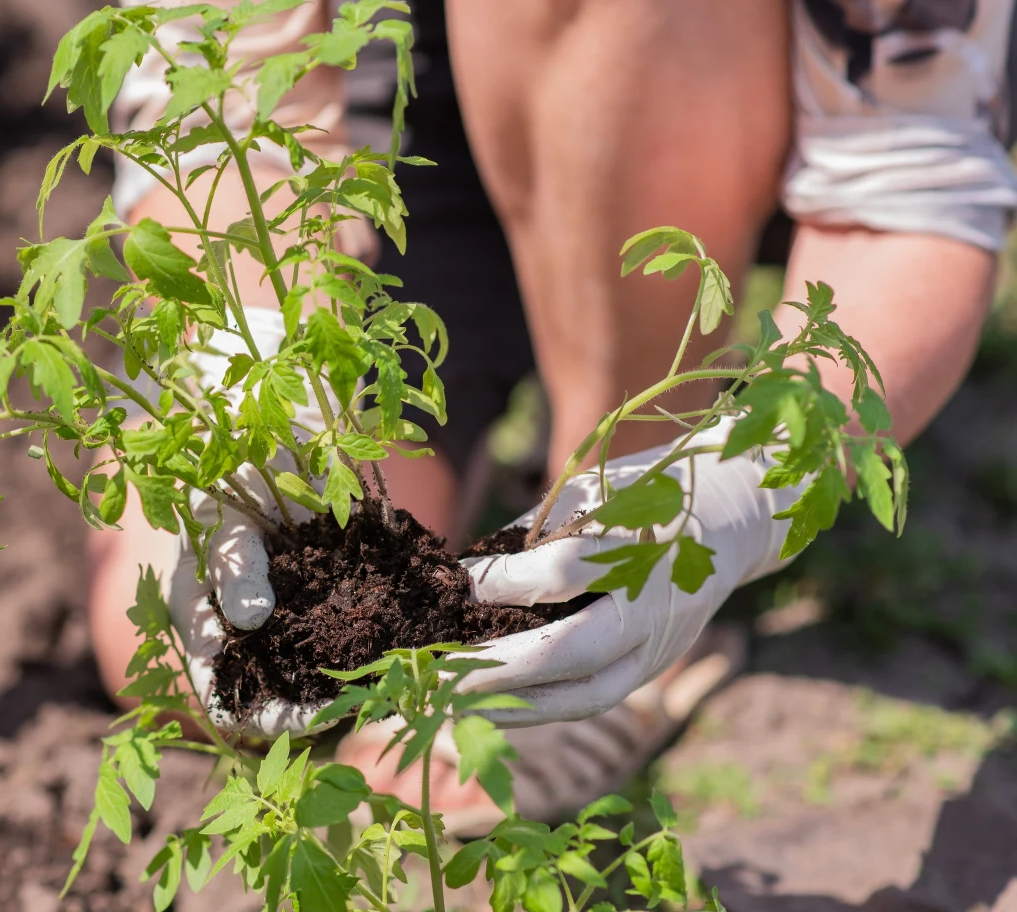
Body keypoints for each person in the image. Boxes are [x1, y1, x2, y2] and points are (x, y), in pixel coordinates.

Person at [86, 0, 1017, 829]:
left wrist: (733, 494)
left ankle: (602, 516)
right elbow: (216, 79)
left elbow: (911, 192)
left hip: (691, 75)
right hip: (405, 92)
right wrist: (250, 377)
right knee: (178, 658)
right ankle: (458, 517)